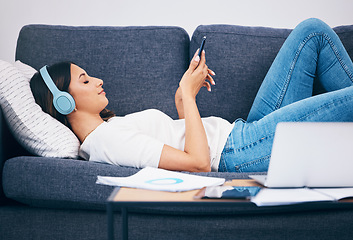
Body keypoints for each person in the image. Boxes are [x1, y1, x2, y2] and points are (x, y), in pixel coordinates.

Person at [30, 18, 353, 172]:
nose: (98, 80)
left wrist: (183, 102)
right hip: (239, 151)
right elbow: (198, 163)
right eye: (85, 81)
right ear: (63, 102)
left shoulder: (110, 129)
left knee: (312, 33)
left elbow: (185, 142)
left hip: (243, 133)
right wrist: (188, 94)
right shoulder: (104, 142)